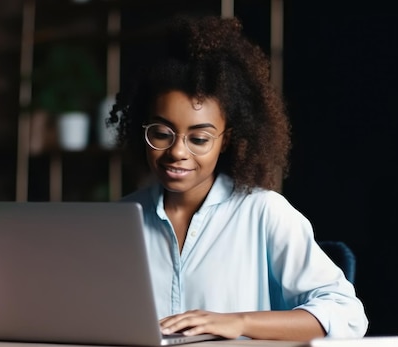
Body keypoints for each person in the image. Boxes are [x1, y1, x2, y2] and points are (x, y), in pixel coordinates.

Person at [107, 15, 368, 341]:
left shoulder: (264, 213)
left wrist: (239, 322)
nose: (177, 152)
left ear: (225, 140)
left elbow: (347, 313)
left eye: (199, 139)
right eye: (161, 133)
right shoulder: (117, 221)